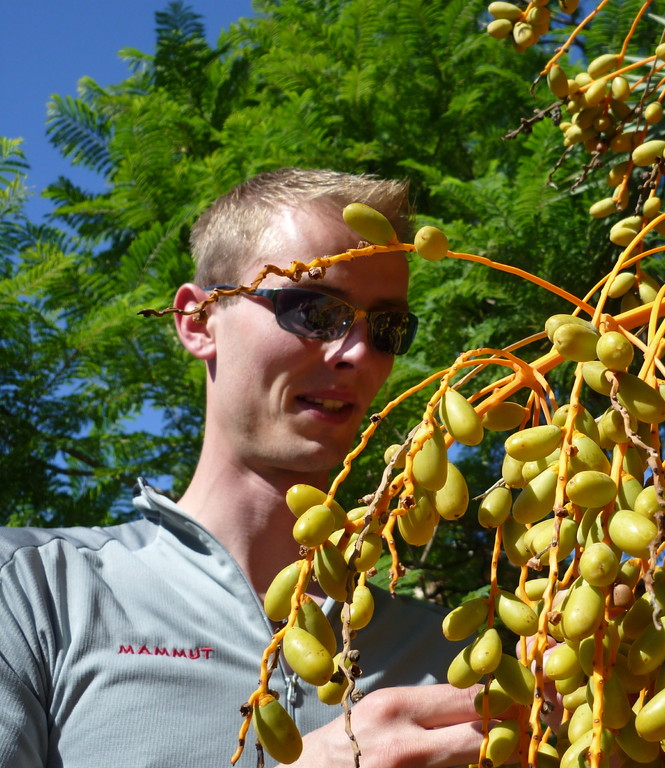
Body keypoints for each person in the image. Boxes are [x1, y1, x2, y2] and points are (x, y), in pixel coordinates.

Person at [0, 169, 485, 767]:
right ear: (199, 321)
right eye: (314, 309)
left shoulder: (455, 652)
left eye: (386, 328)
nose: (357, 353)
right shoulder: (32, 592)